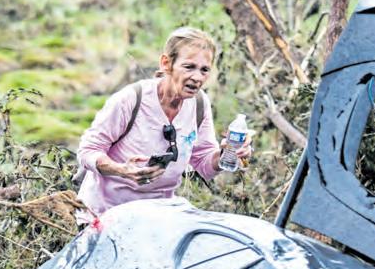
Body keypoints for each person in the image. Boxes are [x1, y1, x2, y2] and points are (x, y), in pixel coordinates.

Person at [74, 27, 252, 216]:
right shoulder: (131, 99)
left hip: (158, 215)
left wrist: (227, 153)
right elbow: (88, 150)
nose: (197, 77)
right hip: (106, 213)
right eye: (189, 67)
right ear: (166, 63)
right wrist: (122, 170)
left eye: (204, 70)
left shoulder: (199, 104)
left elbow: (203, 162)